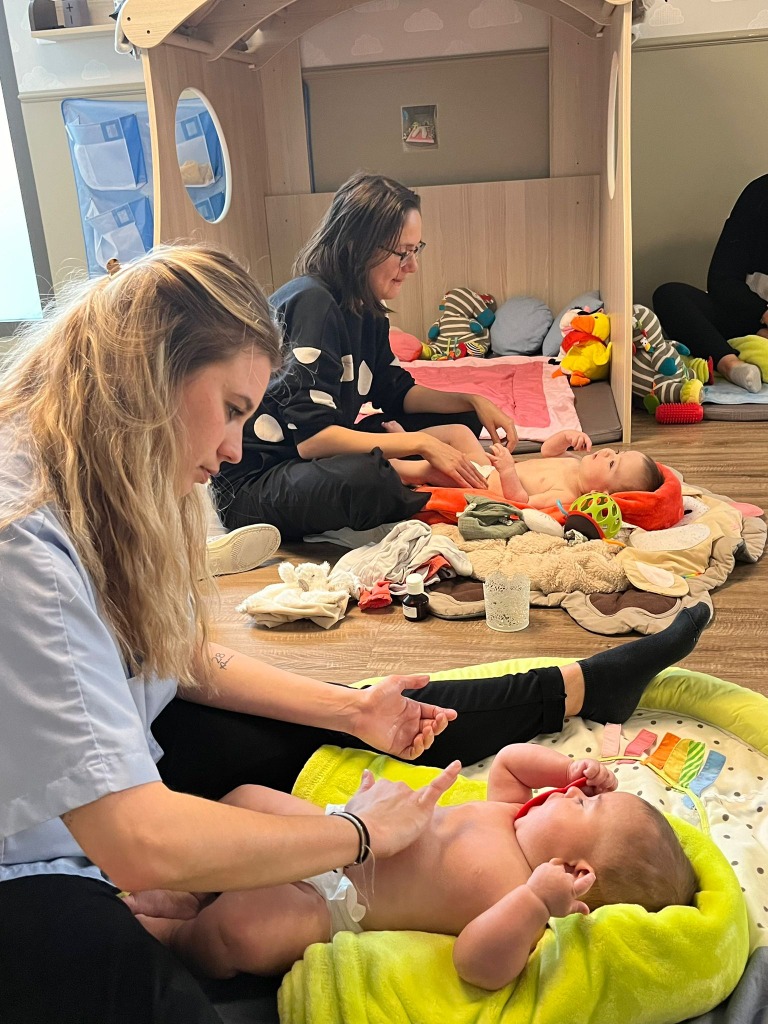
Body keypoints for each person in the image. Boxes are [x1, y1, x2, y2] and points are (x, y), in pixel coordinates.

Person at [0, 242, 710, 1024]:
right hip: (46, 854)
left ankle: (580, 685)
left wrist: (350, 711)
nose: (234, 448)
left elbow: (170, 656)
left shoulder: (107, 479)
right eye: (232, 409)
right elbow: (135, 838)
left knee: (373, 712)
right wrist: (357, 835)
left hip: (115, 799)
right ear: (150, 376)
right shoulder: (23, 543)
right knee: (174, 969)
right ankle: (187, 927)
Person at [128, 745, 696, 992]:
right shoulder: (511, 810)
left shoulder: (520, 897)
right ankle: (192, 891)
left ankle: (179, 935)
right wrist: (568, 767)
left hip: (330, 902)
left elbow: (477, 965)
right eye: (587, 792)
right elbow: (509, 763)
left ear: (575, 871)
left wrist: (534, 901)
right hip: (331, 829)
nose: (572, 794)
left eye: (586, 806)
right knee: (246, 800)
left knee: (241, 934)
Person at [212, 171, 518, 541]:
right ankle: (426, 485)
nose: (412, 266)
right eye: (403, 253)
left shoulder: (366, 308)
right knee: (369, 480)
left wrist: (472, 400)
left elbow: (396, 391)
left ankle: (421, 474)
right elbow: (314, 439)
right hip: (261, 481)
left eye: (416, 250)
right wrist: (422, 445)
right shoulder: (312, 302)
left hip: (310, 457)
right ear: (359, 246)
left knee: (460, 417)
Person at [653, 173, 768, 394]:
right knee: (669, 295)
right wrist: (762, 314)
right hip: (747, 316)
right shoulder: (759, 194)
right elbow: (721, 280)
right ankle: (731, 365)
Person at [386, 424, 664, 507]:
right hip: (489, 468)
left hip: (481, 482)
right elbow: (547, 451)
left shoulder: (566, 496)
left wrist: (508, 470)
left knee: (432, 471)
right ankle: (411, 441)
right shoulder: (574, 462)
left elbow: (522, 502)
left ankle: (397, 466)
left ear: (601, 495)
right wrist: (566, 437)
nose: (607, 452)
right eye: (616, 451)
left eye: (612, 463)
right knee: (460, 432)